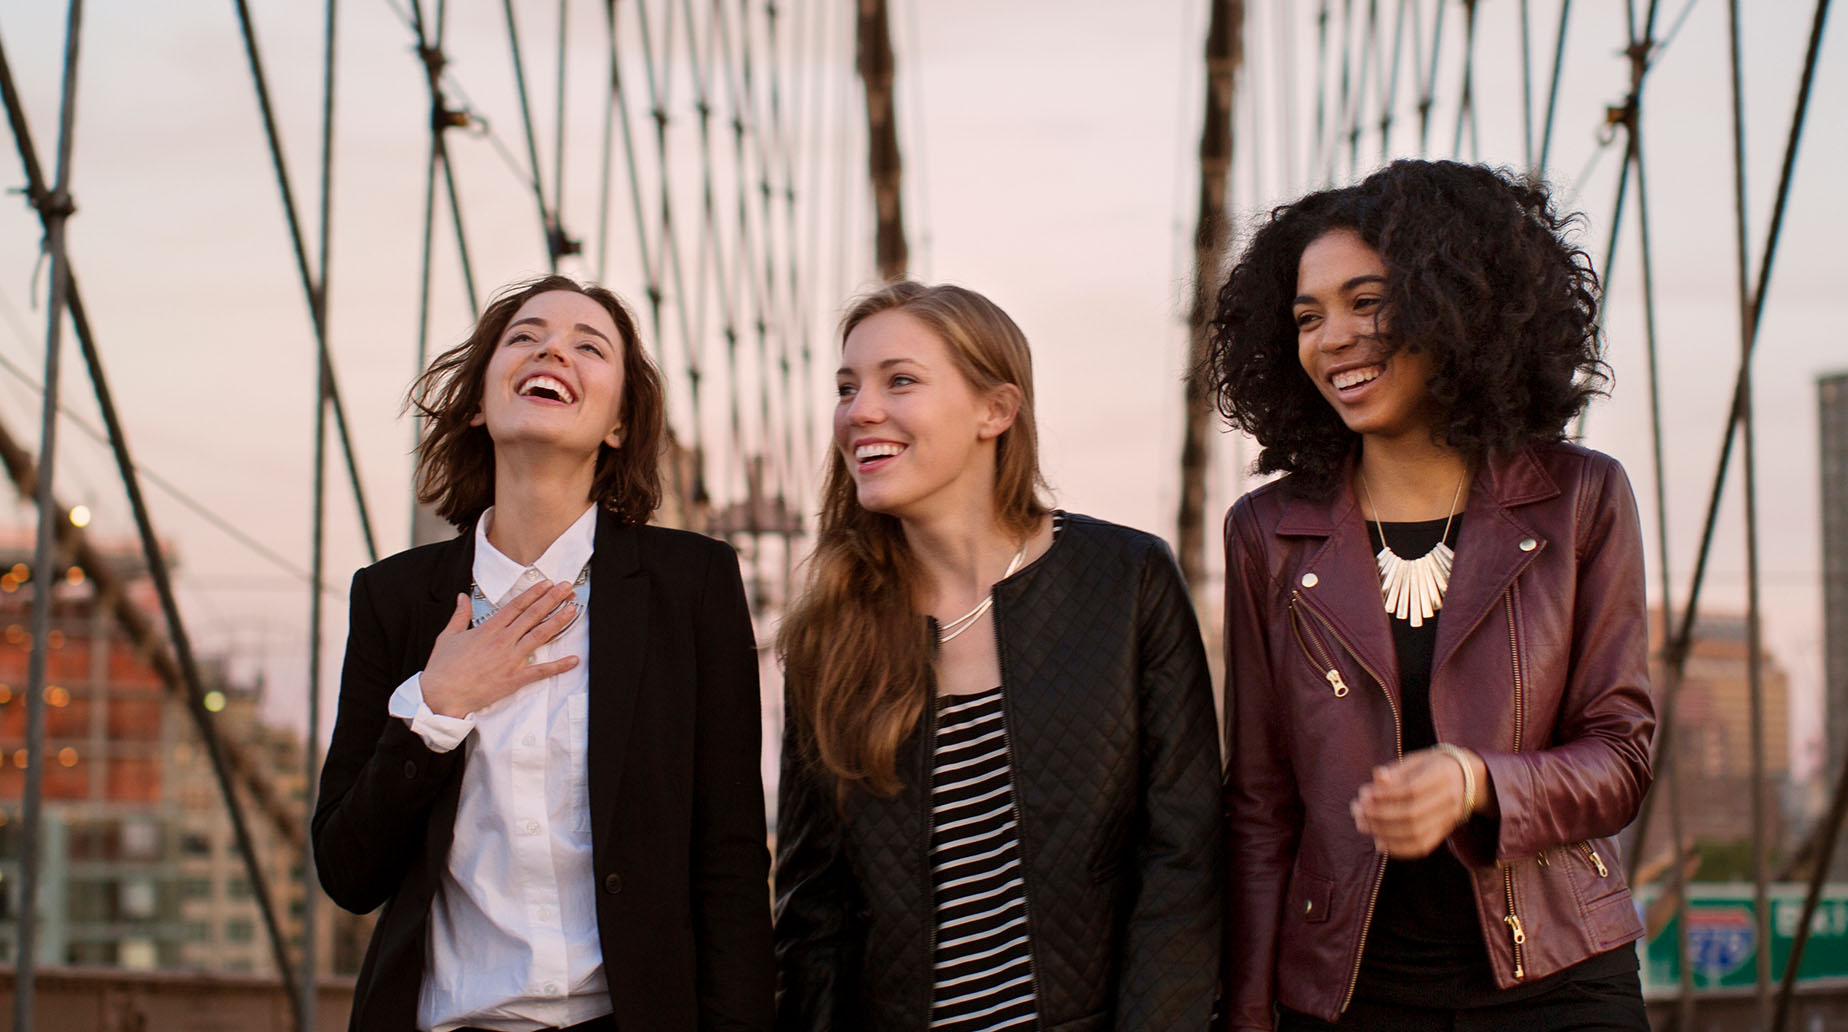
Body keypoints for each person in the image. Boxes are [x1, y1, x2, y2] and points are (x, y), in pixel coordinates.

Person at [1207, 160, 1656, 1030]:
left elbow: (1622, 759)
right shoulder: (1265, 532)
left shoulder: (1581, 498)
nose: (1332, 338)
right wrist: (1251, 1015)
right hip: (1347, 992)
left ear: (1457, 305)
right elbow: (1260, 807)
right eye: (1307, 317)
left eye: (1366, 301)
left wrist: (1479, 779)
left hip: (1562, 977)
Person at [313, 275, 775, 1032]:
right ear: (477, 402)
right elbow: (347, 871)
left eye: (589, 346)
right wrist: (435, 708)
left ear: (620, 424)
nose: (554, 349)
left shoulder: (692, 584)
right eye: (525, 337)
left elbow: (727, 862)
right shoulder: (394, 600)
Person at [773, 281, 1223, 1030]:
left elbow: (1183, 857)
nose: (859, 411)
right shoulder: (832, 634)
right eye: (847, 387)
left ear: (997, 410)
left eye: (900, 380)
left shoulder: (1127, 578)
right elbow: (813, 914)